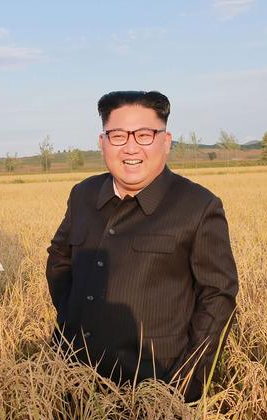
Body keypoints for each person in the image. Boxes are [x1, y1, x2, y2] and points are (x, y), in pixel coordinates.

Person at [46, 90, 239, 402]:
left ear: (166, 140)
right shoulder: (83, 195)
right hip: (76, 378)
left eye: (145, 134)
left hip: (154, 388)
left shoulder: (198, 206)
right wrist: (72, 321)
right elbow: (59, 260)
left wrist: (183, 383)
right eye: (118, 135)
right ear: (102, 143)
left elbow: (218, 298)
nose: (131, 147)